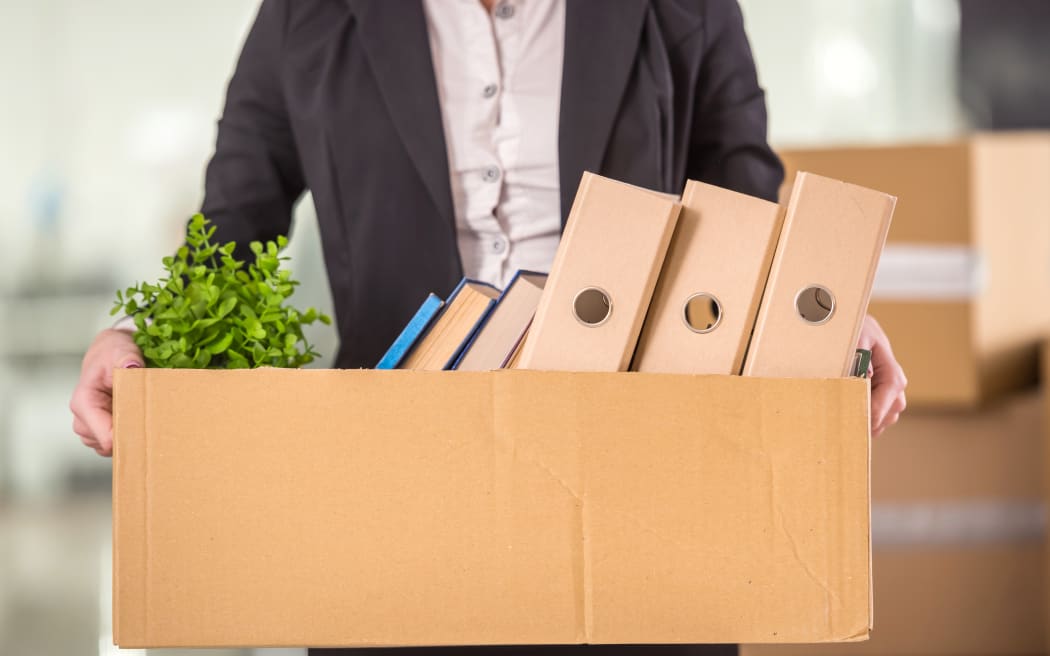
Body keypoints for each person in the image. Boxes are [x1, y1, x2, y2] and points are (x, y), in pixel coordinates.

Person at [71, 1, 908, 654]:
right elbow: (232, 223)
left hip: (642, 473)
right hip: (393, 494)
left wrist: (829, 320)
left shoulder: (682, 5)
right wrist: (142, 340)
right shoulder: (309, 11)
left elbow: (747, 196)